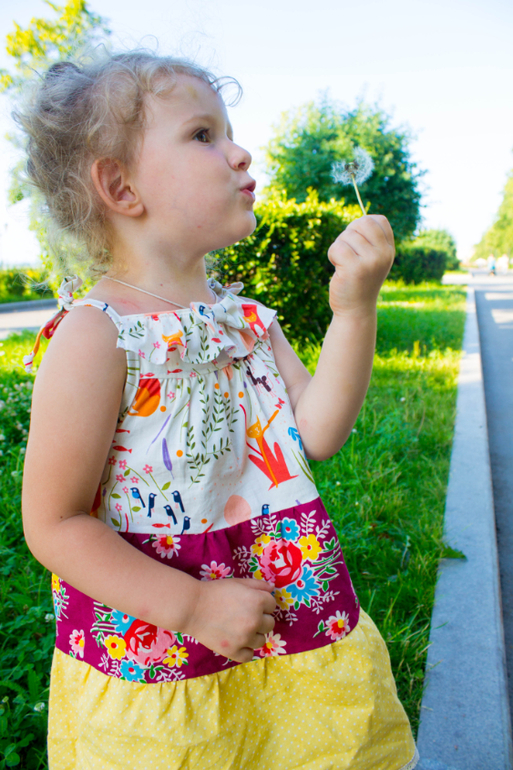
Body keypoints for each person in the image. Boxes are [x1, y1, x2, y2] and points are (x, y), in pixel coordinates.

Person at [19, 51, 418, 769]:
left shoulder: (247, 322)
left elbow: (318, 432)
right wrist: (194, 607)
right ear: (121, 186)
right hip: (163, 653)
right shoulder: (98, 336)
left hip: (290, 626)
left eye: (228, 132)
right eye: (203, 135)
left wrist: (354, 309)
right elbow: (54, 523)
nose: (240, 153)